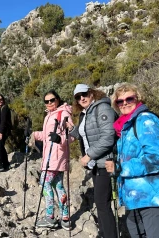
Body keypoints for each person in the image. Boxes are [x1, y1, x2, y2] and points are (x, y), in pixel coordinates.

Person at [105, 83, 159, 238]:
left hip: (153, 197)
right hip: (136, 199)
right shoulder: (126, 127)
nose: (125, 103)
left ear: (137, 99)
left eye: (129, 99)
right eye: (120, 101)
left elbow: (155, 158)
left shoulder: (146, 120)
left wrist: (120, 168)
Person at [67, 84, 118, 238]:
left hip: (105, 162)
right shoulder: (86, 113)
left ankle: (109, 234)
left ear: (91, 92)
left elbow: (108, 137)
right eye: (78, 97)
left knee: (102, 203)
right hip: (96, 164)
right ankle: (104, 233)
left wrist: (88, 155)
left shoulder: (102, 108)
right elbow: (88, 134)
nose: (81, 98)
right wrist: (72, 130)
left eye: (84, 94)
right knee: (101, 202)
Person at [32, 89, 72, 231]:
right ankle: (65, 218)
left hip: (55, 157)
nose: (49, 103)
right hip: (52, 157)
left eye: (52, 100)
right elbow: (46, 135)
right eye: (46, 101)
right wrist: (33, 135)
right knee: (58, 186)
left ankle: (50, 216)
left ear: (58, 100)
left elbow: (72, 135)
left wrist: (60, 139)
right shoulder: (49, 115)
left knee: (44, 183)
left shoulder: (63, 113)